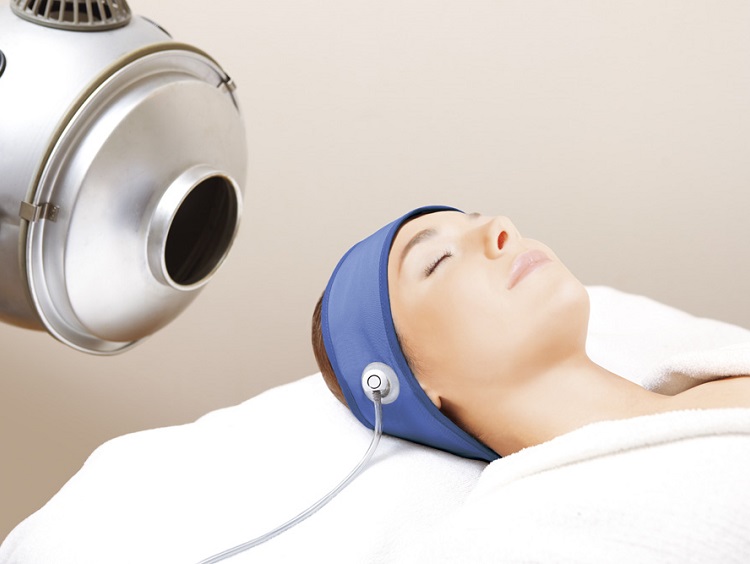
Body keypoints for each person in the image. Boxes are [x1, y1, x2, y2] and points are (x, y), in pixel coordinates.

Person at [311, 205, 750, 460]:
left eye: (480, 220)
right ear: (391, 386)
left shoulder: (723, 372)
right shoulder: (538, 532)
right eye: (439, 259)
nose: (501, 227)